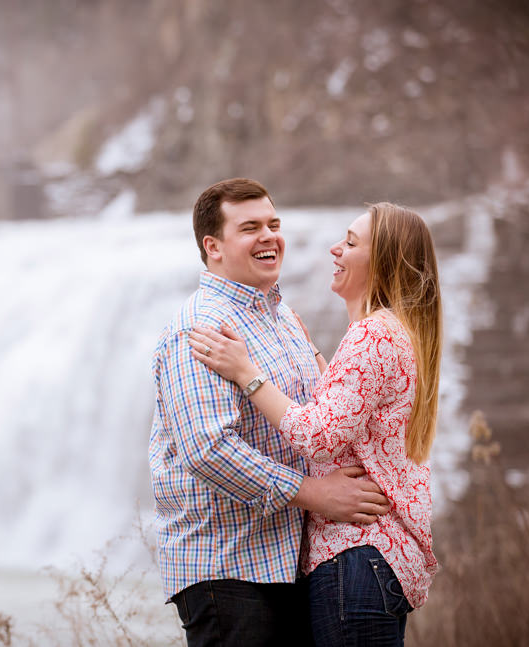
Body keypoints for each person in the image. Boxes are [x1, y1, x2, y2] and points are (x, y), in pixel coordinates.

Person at [150, 178, 391, 647]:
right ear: (213, 246)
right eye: (250, 228)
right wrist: (315, 494)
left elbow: (318, 419)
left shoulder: (281, 318)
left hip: (289, 564)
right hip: (230, 569)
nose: (269, 236)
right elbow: (208, 450)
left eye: (274, 224)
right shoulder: (200, 328)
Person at [188, 202, 441, 645]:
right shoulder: (395, 331)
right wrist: (317, 355)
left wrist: (246, 373)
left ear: (381, 262)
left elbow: (319, 437)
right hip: (379, 560)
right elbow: (353, 419)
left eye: (350, 242)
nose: (335, 249)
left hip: (355, 555)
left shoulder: (372, 334)